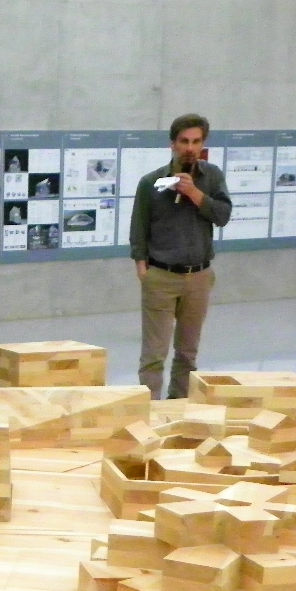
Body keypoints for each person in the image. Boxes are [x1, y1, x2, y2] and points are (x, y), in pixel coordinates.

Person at [130, 113, 232, 399]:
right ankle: (149, 410)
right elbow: (138, 228)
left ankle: (179, 406)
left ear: (203, 144)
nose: (190, 147)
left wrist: (195, 193)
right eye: (184, 141)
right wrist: (143, 268)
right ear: (172, 144)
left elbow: (223, 215)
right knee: (154, 354)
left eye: (196, 141)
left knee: (187, 353)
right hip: (161, 276)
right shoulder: (151, 182)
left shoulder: (212, 177)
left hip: (199, 276)